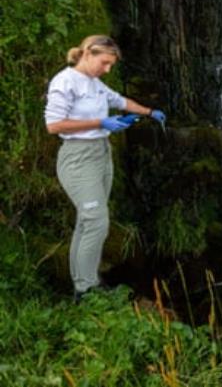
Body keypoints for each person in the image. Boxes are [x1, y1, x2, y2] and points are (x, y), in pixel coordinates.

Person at [44, 35, 166, 301]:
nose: (108, 69)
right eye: (105, 63)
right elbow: (53, 125)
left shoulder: (95, 83)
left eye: (111, 65)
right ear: (88, 53)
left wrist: (148, 112)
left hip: (101, 153)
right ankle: (87, 289)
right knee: (97, 221)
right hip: (78, 158)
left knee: (87, 222)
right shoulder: (64, 82)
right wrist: (101, 123)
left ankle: (81, 284)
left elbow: (120, 102)